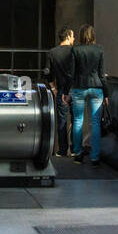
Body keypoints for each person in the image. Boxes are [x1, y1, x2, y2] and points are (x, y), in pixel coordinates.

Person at [68, 24, 109, 167]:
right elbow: (102, 74)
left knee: (78, 121)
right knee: (96, 123)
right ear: (93, 35)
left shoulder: (75, 50)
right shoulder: (99, 49)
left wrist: (67, 90)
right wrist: (107, 93)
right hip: (96, 88)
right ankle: (95, 157)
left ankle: (78, 154)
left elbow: (71, 73)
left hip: (79, 88)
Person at [45, 27, 74, 157]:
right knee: (77, 120)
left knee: (62, 121)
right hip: (76, 89)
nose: (74, 39)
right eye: (73, 36)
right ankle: (75, 149)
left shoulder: (52, 52)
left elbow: (47, 72)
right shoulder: (75, 51)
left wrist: (53, 88)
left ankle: (62, 150)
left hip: (61, 90)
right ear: (68, 36)